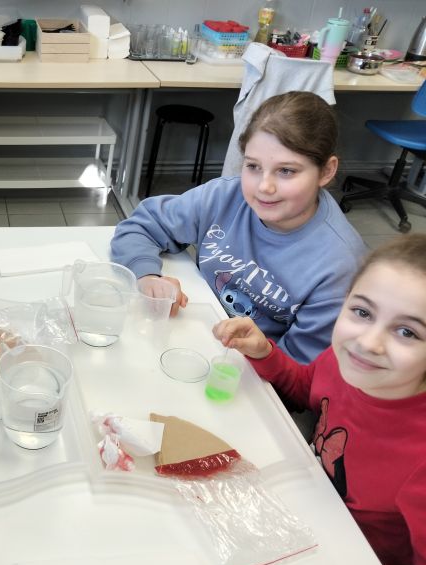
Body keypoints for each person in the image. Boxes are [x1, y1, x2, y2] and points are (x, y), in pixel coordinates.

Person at [213, 234, 426, 565]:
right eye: (362, 312)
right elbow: (306, 389)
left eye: (407, 332)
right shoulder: (346, 362)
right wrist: (265, 353)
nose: (368, 342)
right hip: (304, 519)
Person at [111, 91, 366, 364]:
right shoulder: (225, 196)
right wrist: (148, 276)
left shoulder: (340, 266)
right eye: (253, 166)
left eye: (286, 171)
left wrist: (259, 356)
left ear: (326, 171)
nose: (264, 187)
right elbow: (142, 226)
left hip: (249, 370)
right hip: (188, 337)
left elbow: (299, 372)